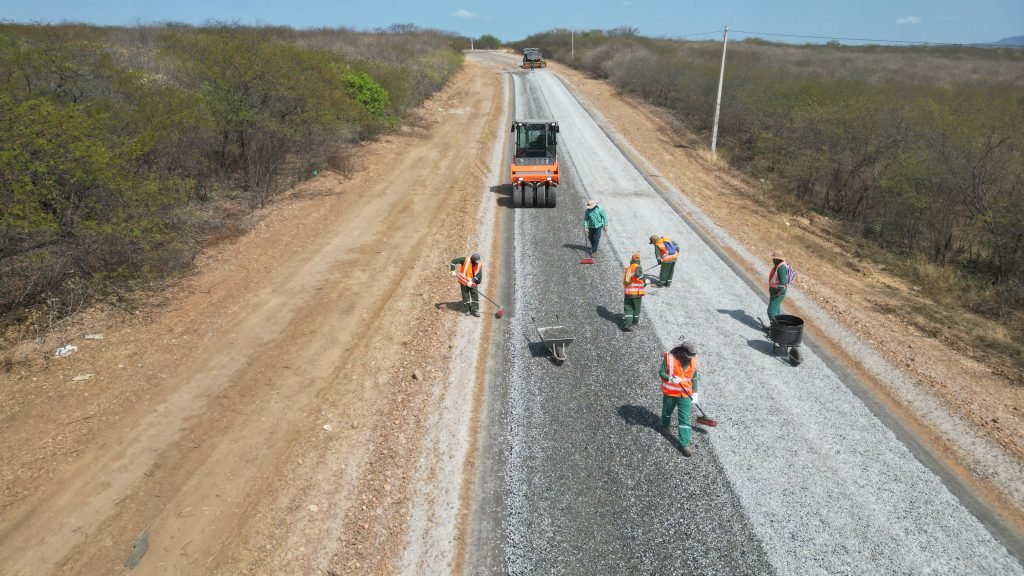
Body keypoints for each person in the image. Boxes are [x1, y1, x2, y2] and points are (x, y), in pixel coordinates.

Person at [660, 341, 702, 457]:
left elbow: (694, 378)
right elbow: (661, 372)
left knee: (684, 418)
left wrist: (695, 393)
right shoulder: (669, 357)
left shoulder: (693, 360)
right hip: (670, 393)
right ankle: (665, 425)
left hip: (685, 394)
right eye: (688, 356)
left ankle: (684, 444)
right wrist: (669, 378)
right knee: (667, 412)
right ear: (682, 352)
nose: (690, 358)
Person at [622, 252, 646, 330]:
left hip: (628, 293)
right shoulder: (638, 267)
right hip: (636, 294)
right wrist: (645, 280)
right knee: (636, 308)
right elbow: (638, 275)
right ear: (639, 260)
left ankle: (627, 324)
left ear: (632, 260)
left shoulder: (628, 268)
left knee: (628, 308)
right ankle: (634, 322)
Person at [767, 250, 793, 323]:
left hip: (777, 292)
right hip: (775, 290)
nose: (773, 259)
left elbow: (783, 282)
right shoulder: (779, 265)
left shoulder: (781, 268)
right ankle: (774, 328)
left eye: (774, 258)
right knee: (776, 309)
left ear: (778, 259)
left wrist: (779, 292)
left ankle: (774, 329)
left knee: (771, 311)